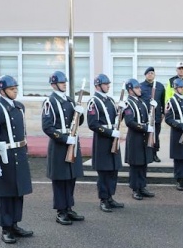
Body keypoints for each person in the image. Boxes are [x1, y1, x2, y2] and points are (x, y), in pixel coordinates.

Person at [0, 75, 33, 244]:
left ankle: (15, 224)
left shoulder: (19, 107)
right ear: (2, 90)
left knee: (18, 192)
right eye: (12, 89)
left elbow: (22, 131)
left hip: (18, 153)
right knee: (5, 194)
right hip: (5, 158)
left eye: (16, 88)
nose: (15, 91)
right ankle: (6, 228)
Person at [42, 70, 85, 225]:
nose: (64, 84)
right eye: (61, 82)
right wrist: (65, 139)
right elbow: (47, 127)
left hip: (72, 141)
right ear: (53, 84)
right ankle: (61, 211)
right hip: (60, 144)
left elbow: (78, 123)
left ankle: (69, 207)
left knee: (71, 177)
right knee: (60, 180)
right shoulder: (50, 102)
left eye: (65, 82)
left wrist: (80, 113)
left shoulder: (70, 100)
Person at [87, 73, 125, 212]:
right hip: (103, 140)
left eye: (108, 84)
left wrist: (122, 110)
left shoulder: (109, 100)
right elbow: (93, 124)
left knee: (113, 170)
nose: (108, 86)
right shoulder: (94, 102)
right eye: (106, 84)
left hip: (113, 138)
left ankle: (110, 197)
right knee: (104, 172)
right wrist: (110, 132)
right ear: (98, 86)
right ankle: (103, 199)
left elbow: (116, 119)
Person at [123, 78, 155, 200]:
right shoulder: (128, 103)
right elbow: (130, 122)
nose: (139, 89)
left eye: (139, 87)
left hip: (143, 137)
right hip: (135, 137)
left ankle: (142, 186)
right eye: (137, 88)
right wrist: (145, 128)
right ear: (130, 90)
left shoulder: (140, 102)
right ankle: (135, 188)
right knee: (135, 164)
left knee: (143, 163)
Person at [140, 66, 166, 163]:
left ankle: (154, 153)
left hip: (157, 115)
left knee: (155, 135)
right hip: (145, 116)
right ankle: (147, 154)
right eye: (148, 73)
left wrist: (163, 112)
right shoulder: (140, 86)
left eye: (152, 73)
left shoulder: (160, 86)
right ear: (145, 75)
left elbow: (163, 101)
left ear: (154, 75)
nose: (150, 75)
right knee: (145, 135)